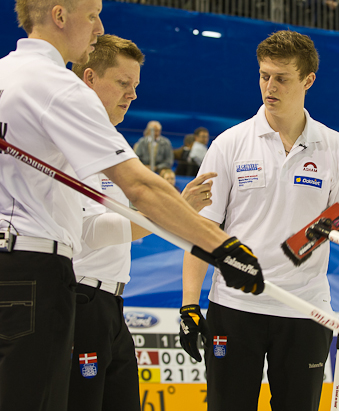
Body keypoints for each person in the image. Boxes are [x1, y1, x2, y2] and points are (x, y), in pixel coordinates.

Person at [0, 0, 264, 411]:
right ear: (60, 15)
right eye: (93, 14)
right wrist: (222, 247)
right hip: (32, 274)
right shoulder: (60, 86)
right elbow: (140, 187)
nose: (99, 27)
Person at [179, 30, 339, 411]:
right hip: (234, 308)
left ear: (308, 80)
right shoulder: (229, 143)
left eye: (282, 78)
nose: (269, 86)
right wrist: (189, 306)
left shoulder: (336, 147)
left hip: (305, 310)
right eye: (264, 75)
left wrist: (306, 243)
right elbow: (203, 230)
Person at [68, 34, 217, 411]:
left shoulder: (111, 142)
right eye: (123, 84)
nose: (132, 95)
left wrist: (171, 212)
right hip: (80, 300)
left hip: (111, 303)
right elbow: (90, 233)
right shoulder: (68, 143)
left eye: (135, 86)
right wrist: (174, 211)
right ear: (89, 78)